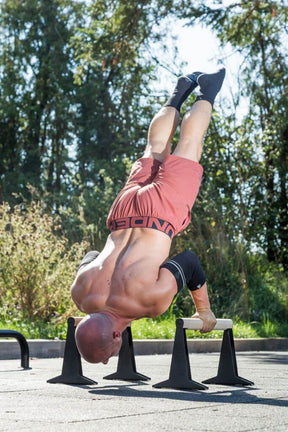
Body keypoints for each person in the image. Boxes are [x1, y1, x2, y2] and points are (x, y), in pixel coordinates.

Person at [71, 67, 226, 364]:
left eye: (108, 356)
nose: (110, 358)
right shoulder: (81, 294)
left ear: (117, 337)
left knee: (189, 146)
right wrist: (92, 319)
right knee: (154, 148)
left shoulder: (148, 303)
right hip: (122, 215)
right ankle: (178, 92)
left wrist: (204, 311)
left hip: (160, 216)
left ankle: (208, 89)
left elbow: (189, 262)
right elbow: (91, 254)